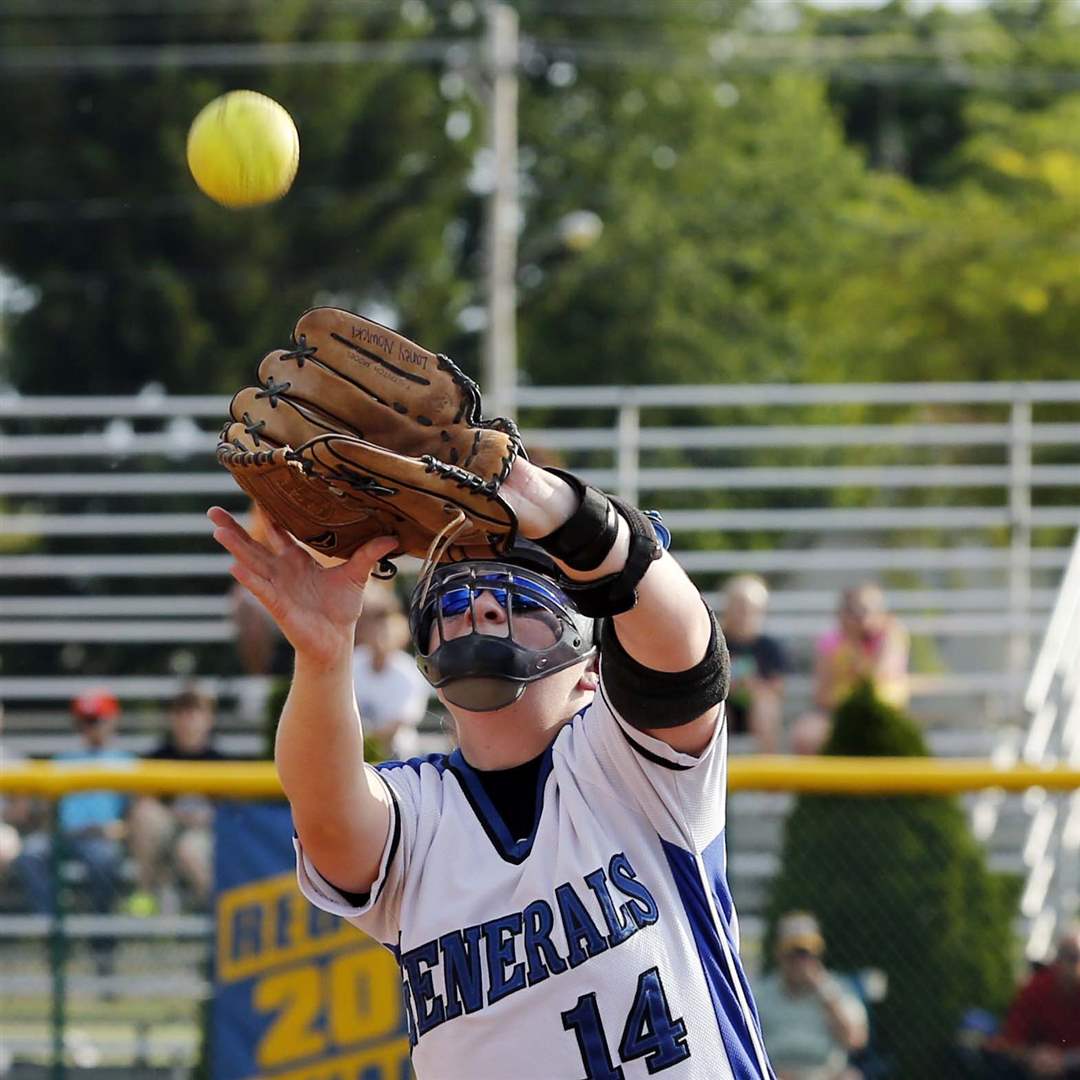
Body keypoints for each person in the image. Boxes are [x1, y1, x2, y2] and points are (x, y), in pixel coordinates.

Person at [207, 454, 775, 1079]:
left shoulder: (630, 766)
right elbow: (327, 817)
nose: (483, 606)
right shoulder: (419, 811)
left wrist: (544, 497)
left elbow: (684, 650)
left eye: (522, 595)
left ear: (593, 666)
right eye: (460, 593)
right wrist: (321, 655)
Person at [13, 689, 132, 974]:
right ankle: (57, 936)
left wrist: (123, 829)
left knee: (104, 862)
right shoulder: (63, 760)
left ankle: (102, 946)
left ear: (112, 721)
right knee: (30, 854)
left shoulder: (126, 761)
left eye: (97, 720)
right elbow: (45, 812)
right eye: (86, 721)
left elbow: (137, 812)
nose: (91, 727)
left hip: (102, 838)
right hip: (65, 836)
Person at [126, 687, 226, 914]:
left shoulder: (220, 761)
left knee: (190, 850)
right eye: (181, 713)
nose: (187, 721)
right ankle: (145, 893)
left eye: (194, 713)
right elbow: (141, 802)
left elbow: (233, 813)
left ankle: (216, 915)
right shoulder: (158, 757)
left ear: (208, 719)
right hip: (165, 832)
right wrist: (175, 814)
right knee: (145, 814)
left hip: (202, 834)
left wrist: (205, 817)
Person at [791, 583, 910, 755]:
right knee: (806, 735)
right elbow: (822, 695)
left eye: (871, 610)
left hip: (883, 715)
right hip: (839, 715)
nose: (864, 618)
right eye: (857, 611)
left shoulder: (891, 635)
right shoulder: (830, 642)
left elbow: (880, 674)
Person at [754, 912, 868, 1080]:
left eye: (807, 954)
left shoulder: (838, 990)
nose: (801, 962)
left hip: (827, 1074)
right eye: (794, 954)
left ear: (818, 954)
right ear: (779, 954)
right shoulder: (760, 993)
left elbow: (854, 1040)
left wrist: (826, 995)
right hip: (775, 1074)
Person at [351, 581, 432, 761]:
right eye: (373, 625)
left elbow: (400, 722)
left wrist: (365, 741)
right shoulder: (353, 663)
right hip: (354, 751)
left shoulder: (409, 671)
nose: (379, 633)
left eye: (384, 626)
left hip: (397, 757)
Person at [997, 925, 1080, 1078]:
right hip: (1033, 1067)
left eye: (1076, 957)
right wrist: (1033, 1057)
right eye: (1066, 956)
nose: (1071, 965)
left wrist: (1064, 1061)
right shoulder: (1038, 986)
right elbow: (1012, 1039)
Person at [720, 574, 786, 753]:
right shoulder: (715, 641)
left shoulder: (770, 646)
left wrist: (751, 686)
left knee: (765, 709)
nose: (744, 615)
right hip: (723, 704)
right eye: (739, 608)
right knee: (716, 711)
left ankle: (768, 774)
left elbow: (777, 688)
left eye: (750, 609)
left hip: (756, 706)